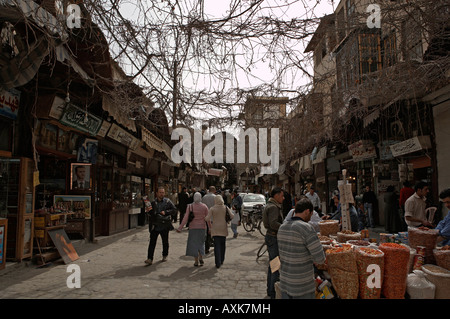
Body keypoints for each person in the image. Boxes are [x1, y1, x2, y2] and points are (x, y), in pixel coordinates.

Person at [277, 198, 326, 299]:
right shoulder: (306, 228)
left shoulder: (282, 227)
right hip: (302, 286)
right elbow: (320, 259)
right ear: (307, 211)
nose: (310, 217)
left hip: (285, 283)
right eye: (311, 214)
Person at [262, 187, 284, 299]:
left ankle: (270, 290)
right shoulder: (273, 207)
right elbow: (273, 223)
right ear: (276, 196)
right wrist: (285, 227)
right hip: (273, 237)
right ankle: (273, 292)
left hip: (271, 237)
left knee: (273, 265)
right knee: (275, 267)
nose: (283, 198)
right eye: (281, 196)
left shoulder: (270, 205)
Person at [177, 192, 210, 266]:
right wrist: (210, 228)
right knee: (201, 243)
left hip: (193, 228)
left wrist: (180, 228)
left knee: (194, 244)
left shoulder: (190, 206)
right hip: (202, 227)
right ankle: (201, 257)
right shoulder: (204, 206)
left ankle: (196, 261)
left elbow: (185, 218)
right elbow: (208, 218)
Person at [145, 187, 177, 265]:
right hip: (155, 225)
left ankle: (165, 254)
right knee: (152, 242)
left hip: (164, 225)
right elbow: (149, 214)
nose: (161, 194)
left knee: (165, 241)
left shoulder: (167, 201)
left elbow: (174, 210)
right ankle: (150, 258)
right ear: (157, 193)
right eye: (160, 192)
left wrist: (166, 212)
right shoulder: (153, 202)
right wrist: (148, 210)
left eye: (162, 192)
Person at [205, 195, 234, 268]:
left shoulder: (212, 208)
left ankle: (217, 262)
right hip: (223, 228)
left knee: (216, 245)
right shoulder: (225, 207)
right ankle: (222, 260)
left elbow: (207, 218)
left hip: (215, 229)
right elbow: (232, 216)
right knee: (222, 245)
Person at [202, 186, 216, 253]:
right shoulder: (215, 197)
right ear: (213, 190)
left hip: (206, 217)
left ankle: (206, 248)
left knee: (207, 233)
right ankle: (215, 245)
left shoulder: (204, 197)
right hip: (213, 217)